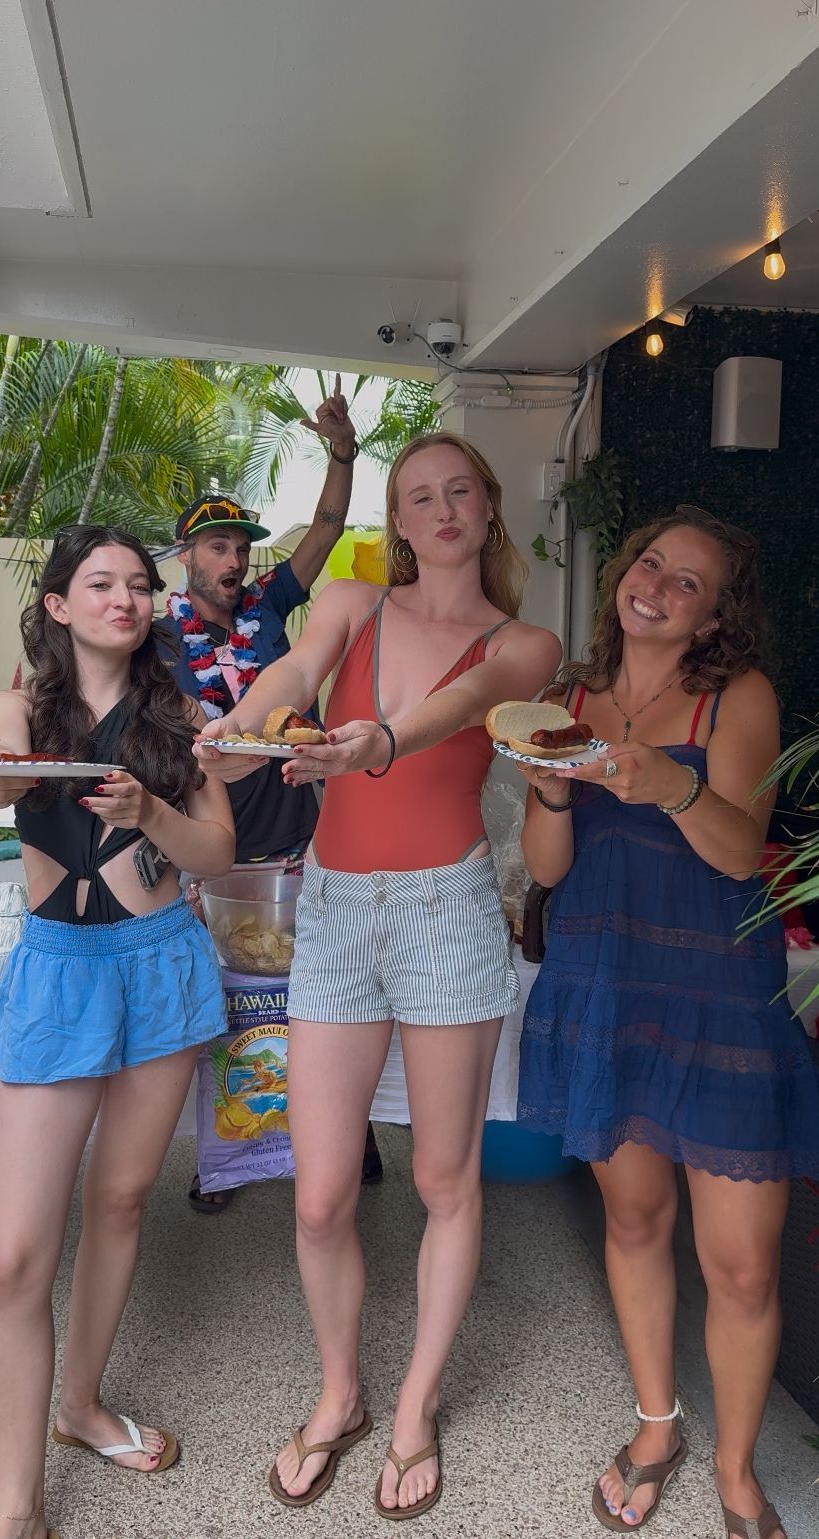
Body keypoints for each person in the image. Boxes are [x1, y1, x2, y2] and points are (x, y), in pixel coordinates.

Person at [197, 432, 561, 1518]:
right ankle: (340, 1394)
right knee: (316, 1198)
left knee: (448, 1182)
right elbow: (293, 672)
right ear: (394, 521)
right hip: (339, 908)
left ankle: (413, 1408)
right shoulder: (353, 604)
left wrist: (377, 742)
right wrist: (242, 724)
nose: (440, 510)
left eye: (460, 492)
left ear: (488, 509)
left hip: (448, 910)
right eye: (418, 497)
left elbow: (470, 704)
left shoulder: (526, 643)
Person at [515, 506, 819, 1539]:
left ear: (718, 613)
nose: (657, 584)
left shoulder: (737, 697)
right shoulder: (566, 698)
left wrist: (670, 783)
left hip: (723, 998)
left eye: (689, 581)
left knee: (742, 1263)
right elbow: (547, 871)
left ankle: (737, 1473)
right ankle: (658, 1427)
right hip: (602, 989)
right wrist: (551, 796)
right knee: (635, 1222)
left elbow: (741, 852)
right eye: (651, 562)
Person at [0, 526, 235, 1539]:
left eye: (140, 585)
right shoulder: (17, 705)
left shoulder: (185, 718)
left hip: (162, 962)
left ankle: (81, 1406)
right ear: (62, 604)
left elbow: (216, 847)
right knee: (10, 1259)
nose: (125, 597)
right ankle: (14, 1506)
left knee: (120, 1202)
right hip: (58, 975)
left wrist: (153, 811)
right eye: (100, 583)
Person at [159, 376, 384, 1211]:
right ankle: (223, 1156)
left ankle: (348, 1138)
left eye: (241, 545)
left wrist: (340, 451)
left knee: (318, 994)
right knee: (221, 1008)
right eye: (217, 545)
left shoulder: (273, 605)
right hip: (214, 844)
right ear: (188, 557)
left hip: (296, 832)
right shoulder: (158, 641)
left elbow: (326, 528)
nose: (234, 558)